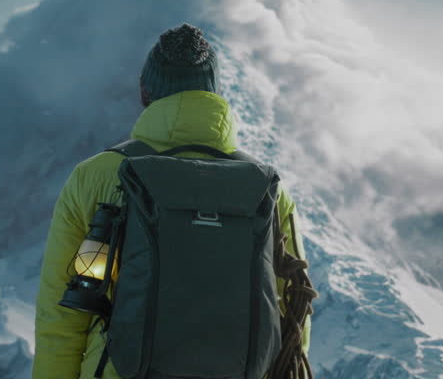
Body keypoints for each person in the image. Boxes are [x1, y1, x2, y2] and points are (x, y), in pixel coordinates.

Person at [32, 23, 311, 379]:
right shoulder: (266, 187)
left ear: (144, 92)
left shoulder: (96, 176)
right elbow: (293, 312)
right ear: (216, 93)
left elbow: (61, 314)